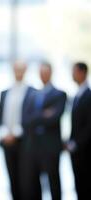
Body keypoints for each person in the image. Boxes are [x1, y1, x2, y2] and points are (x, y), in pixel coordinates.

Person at [22, 62, 66, 200]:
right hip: (34, 145)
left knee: (53, 181)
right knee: (34, 182)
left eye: (46, 72)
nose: (43, 75)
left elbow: (54, 118)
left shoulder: (60, 94)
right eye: (41, 72)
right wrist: (43, 114)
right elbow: (25, 119)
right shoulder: (32, 95)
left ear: (51, 73)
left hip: (51, 146)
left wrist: (36, 115)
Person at [0, 61, 35, 200]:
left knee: (25, 181)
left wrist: (15, 134)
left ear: (25, 70)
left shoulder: (32, 92)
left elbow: (30, 117)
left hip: (24, 142)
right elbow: (0, 117)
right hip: (7, 142)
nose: (18, 72)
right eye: (16, 69)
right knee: (12, 178)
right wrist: (5, 134)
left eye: (21, 69)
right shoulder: (5, 92)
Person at [65, 62, 91, 200]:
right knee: (79, 185)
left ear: (82, 73)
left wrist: (76, 143)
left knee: (86, 185)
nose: (72, 75)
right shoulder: (77, 95)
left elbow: (88, 126)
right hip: (76, 151)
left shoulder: (88, 95)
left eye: (74, 71)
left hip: (85, 151)